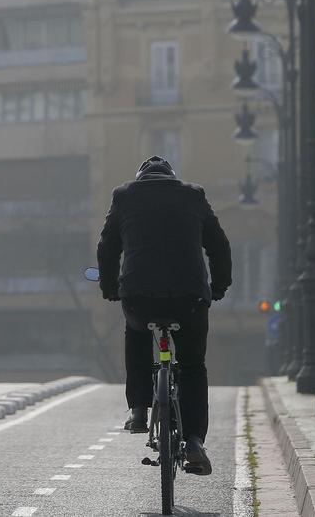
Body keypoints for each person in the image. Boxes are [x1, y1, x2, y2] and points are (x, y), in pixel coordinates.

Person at [95, 156, 231, 476]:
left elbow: (107, 247)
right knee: (194, 366)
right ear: (172, 177)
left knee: (138, 335)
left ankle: (139, 410)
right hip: (190, 299)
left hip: (139, 298)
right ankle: (194, 441)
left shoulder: (124, 196)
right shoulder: (194, 195)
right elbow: (219, 245)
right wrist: (219, 286)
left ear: (140, 178)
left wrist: (109, 287)